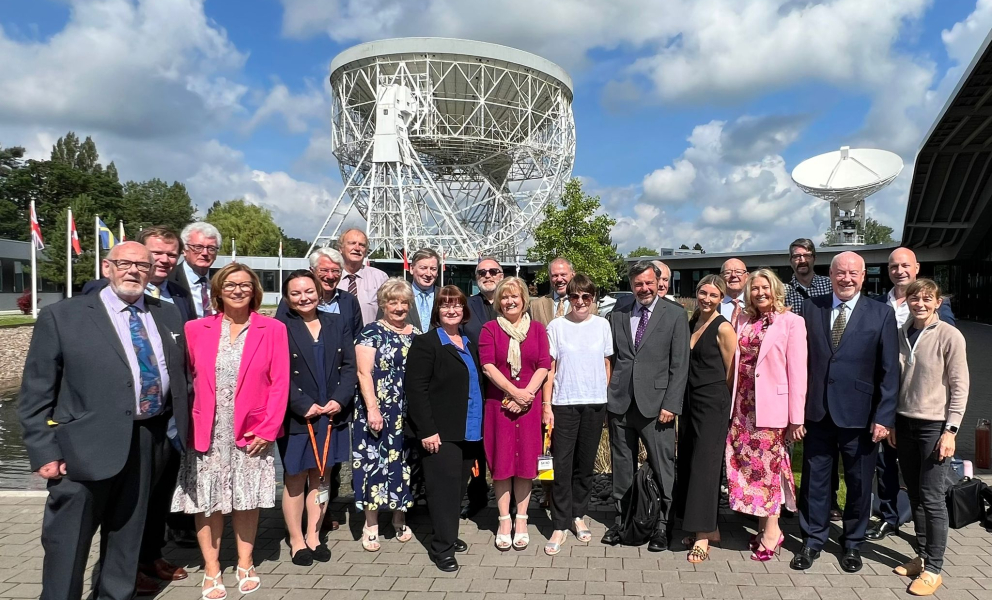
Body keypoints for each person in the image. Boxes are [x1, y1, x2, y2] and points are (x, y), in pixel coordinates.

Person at [18, 241, 189, 600]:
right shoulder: (64, 316)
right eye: (124, 263)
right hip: (82, 447)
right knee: (68, 541)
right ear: (107, 268)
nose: (133, 271)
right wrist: (43, 450)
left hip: (148, 440)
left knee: (128, 536)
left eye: (142, 265)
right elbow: (37, 391)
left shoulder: (169, 315)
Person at [80, 226, 197, 588]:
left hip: (164, 417)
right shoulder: (99, 295)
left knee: (157, 494)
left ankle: (149, 557)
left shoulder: (176, 294)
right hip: (115, 422)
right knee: (123, 503)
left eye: (169, 254)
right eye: (155, 254)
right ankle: (120, 571)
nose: (162, 260)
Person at [171, 263, 289, 598]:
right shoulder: (196, 329)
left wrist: (267, 429)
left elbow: (279, 383)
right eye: (231, 284)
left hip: (252, 431)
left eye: (245, 285)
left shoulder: (273, 329)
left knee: (246, 500)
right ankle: (211, 567)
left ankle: (245, 561)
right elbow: (186, 381)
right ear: (218, 290)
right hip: (206, 430)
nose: (238, 290)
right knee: (207, 502)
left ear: (255, 291)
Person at [792, 251, 899, 574]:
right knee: (815, 481)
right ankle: (812, 540)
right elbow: (801, 361)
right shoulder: (813, 307)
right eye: (841, 273)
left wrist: (884, 416)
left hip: (861, 415)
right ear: (832, 274)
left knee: (858, 482)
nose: (847, 278)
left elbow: (890, 370)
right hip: (818, 412)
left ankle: (852, 543)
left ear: (864, 276)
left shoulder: (881, 314)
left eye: (853, 273)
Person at [867, 247, 957, 542]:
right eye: (894, 266)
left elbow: (945, 352)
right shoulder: (879, 303)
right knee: (885, 461)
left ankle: (928, 540)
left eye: (905, 265)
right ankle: (889, 515)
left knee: (924, 479)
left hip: (924, 407)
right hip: (886, 398)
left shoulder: (936, 308)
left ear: (916, 267)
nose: (899, 271)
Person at [601, 261, 690, 552]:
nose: (644, 288)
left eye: (649, 282)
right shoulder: (618, 312)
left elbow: (680, 365)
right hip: (622, 404)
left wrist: (672, 404)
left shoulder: (675, 315)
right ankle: (623, 521)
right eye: (638, 284)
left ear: (659, 281)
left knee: (663, 467)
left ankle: (663, 525)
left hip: (657, 407)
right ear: (631, 285)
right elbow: (612, 358)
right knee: (622, 466)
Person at [888, 279, 969, 596]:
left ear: (937, 302)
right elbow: (896, 379)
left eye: (926, 298)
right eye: (914, 297)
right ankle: (921, 557)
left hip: (935, 426)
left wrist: (951, 430)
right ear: (906, 301)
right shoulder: (902, 331)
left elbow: (960, 386)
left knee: (933, 499)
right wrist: (892, 420)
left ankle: (934, 569)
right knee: (916, 495)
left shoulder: (950, 335)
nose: (919, 302)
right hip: (904, 423)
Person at [725, 270, 808, 562]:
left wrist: (796, 418)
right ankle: (762, 526)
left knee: (769, 469)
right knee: (751, 468)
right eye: (755, 288)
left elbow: (798, 372)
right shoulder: (744, 320)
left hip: (772, 409)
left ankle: (773, 531)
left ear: (775, 289)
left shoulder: (792, 322)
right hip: (743, 406)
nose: (760, 293)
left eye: (765, 287)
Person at [276, 270, 357, 566]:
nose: (304, 297)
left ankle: (314, 534)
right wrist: (301, 403)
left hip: (331, 414)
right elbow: (276, 372)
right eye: (296, 293)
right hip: (299, 416)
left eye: (308, 291)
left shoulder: (337, 323)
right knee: (295, 478)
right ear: (287, 297)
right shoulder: (279, 327)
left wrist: (340, 399)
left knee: (322, 477)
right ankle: (296, 539)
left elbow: (350, 367)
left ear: (318, 292)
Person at [405, 286, 485, 572]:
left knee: (457, 488)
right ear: (437, 311)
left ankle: (448, 534)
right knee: (442, 491)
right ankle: (442, 548)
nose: (452, 310)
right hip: (441, 431)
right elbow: (416, 390)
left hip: (469, 430)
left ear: (464, 310)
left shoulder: (468, 341)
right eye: (445, 305)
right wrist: (427, 430)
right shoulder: (426, 343)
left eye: (457, 305)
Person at [541, 274, 613, 555]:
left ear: (593, 298)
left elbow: (606, 363)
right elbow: (550, 368)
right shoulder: (557, 326)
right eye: (575, 296)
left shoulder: (602, 326)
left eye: (586, 297)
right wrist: (547, 406)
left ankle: (577, 516)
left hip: (594, 403)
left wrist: (603, 398)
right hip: (564, 403)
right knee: (562, 465)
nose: (581, 302)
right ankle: (559, 524)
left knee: (584, 466)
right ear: (568, 298)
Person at [480, 276, 551, 551]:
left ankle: (521, 519)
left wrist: (527, 396)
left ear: (524, 300)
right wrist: (515, 393)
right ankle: (504, 521)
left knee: (525, 466)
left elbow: (544, 365)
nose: (510, 301)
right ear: (499, 301)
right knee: (502, 464)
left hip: (529, 408)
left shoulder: (537, 329)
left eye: (515, 296)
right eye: (505, 297)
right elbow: (488, 366)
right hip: (499, 406)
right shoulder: (489, 329)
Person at [353, 278, 419, 552]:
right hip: (377, 410)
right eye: (393, 302)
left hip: (406, 412)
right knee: (372, 464)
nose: (399, 307)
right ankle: (371, 524)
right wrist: (372, 408)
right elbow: (363, 372)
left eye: (404, 302)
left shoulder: (417, 334)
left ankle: (399, 515)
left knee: (403, 464)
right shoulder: (370, 333)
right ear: (383, 304)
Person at [676, 275, 737, 563]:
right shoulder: (691, 322)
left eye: (714, 295)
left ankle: (703, 536)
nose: (707, 299)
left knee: (706, 466)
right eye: (703, 293)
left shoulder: (723, 328)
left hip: (713, 402)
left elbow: (730, 372)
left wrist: (721, 403)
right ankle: (702, 526)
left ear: (721, 298)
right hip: (690, 401)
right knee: (689, 460)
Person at [462, 257, 505, 518]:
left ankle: (508, 498)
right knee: (476, 444)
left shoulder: (513, 301)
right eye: (482, 272)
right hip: (477, 384)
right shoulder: (468, 305)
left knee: (504, 441)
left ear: (502, 274)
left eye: (493, 271)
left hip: (508, 386)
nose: (487, 275)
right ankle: (477, 497)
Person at [169, 221, 222, 319]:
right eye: (198, 247)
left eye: (211, 248)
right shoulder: (169, 280)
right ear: (184, 250)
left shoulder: (221, 281)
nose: (205, 253)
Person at [337, 228, 389, 326]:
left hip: (370, 338)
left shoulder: (380, 278)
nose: (357, 248)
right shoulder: (331, 277)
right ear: (340, 248)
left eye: (362, 245)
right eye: (352, 243)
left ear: (365, 251)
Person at [784, 238, 832, 317]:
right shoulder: (782, 292)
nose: (802, 260)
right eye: (797, 256)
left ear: (814, 259)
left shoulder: (830, 285)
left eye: (807, 256)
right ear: (790, 261)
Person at [401, 248, 441, 331]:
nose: (428, 274)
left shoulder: (445, 296)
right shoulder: (397, 295)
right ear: (412, 269)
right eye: (423, 268)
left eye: (433, 269)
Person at [530, 257, 575, 324]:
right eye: (555, 275)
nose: (559, 279)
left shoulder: (587, 306)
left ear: (573, 275)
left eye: (563, 275)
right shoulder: (535, 306)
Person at [719, 258, 749, 325]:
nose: (733, 275)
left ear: (747, 277)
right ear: (721, 277)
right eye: (728, 273)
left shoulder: (755, 303)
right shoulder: (713, 305)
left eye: (738, 272)